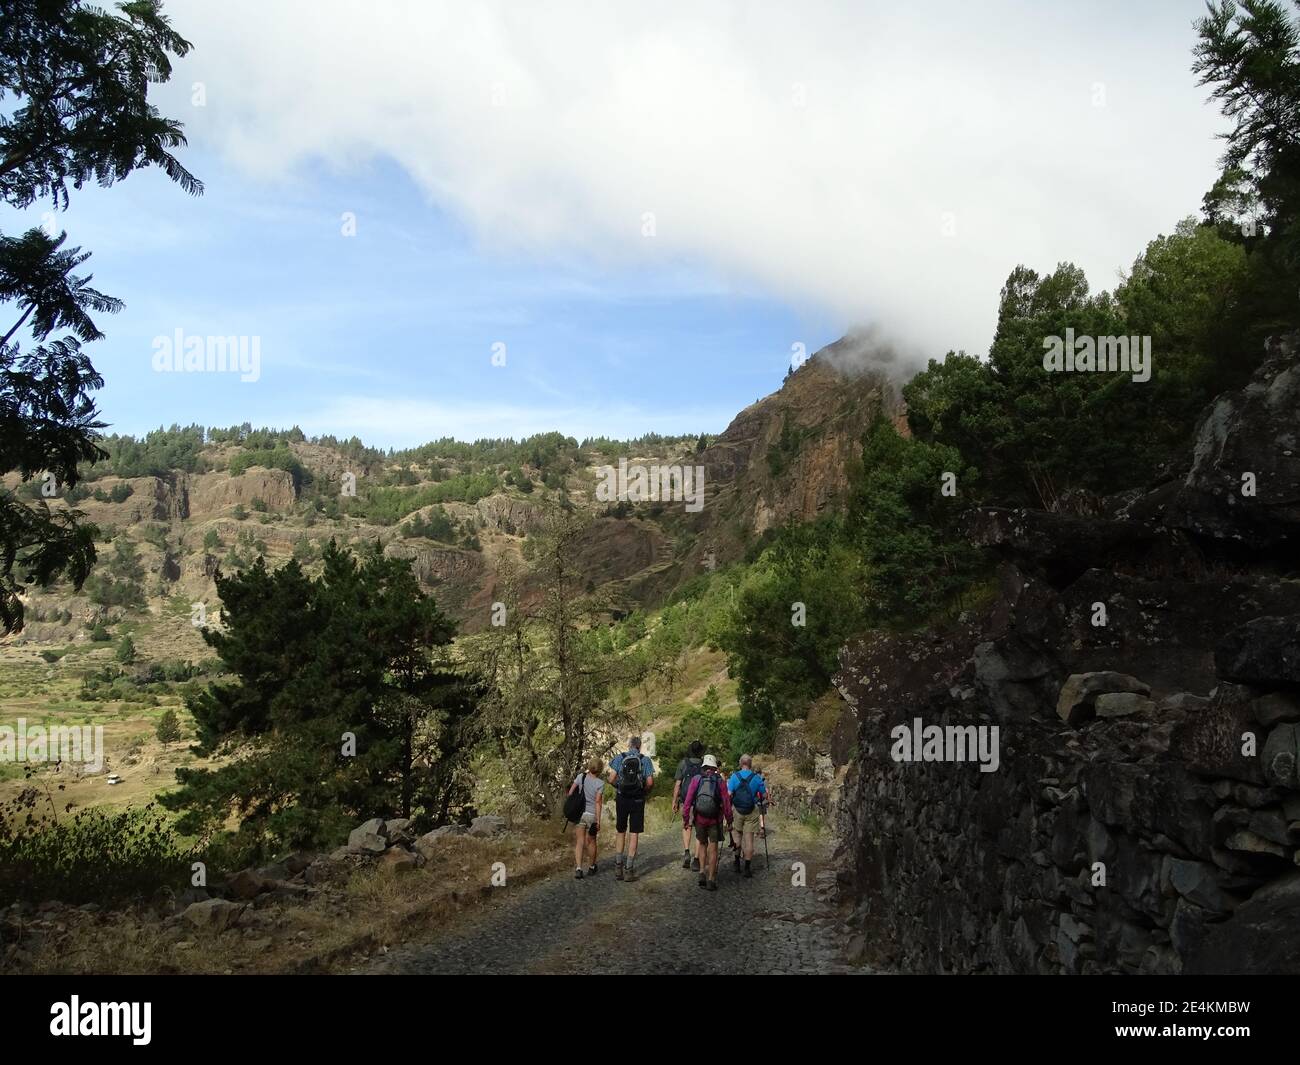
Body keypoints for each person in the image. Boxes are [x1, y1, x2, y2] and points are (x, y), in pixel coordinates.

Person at [607, 735, 655, 882]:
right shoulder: (645, 760)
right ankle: (629, 869)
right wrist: (644, 791)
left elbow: (610, 779)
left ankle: (618, 866)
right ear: (639, 746)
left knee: (621, 831)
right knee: (634, 832)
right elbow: (650, 782)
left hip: (622, 798)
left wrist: (619, 788)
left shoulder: (620, 757)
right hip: (637, 799)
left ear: (629, 745)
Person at [682, 754, 732, 892]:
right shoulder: (720, 781)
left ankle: (701, 873)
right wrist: (729, 820)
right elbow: (726, 802)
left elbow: (688, 802)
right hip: (715, 819)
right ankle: (711, 879)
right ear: (715, 767)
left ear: (703, 766)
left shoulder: (696, 779)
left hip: (700, 818)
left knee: (702, 844)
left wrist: (686, 819)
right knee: (713, 847)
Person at [727, 754, 768, 878]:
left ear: (740, 764)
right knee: (749, 840)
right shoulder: (756, 778)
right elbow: (764, 795)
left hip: (737, 811)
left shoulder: (734, 777)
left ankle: (736, 862)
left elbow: (729, 794)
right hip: (751, 810)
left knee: (737, 837)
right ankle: (747, 868)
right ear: (750, 764)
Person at [566, 758, 605, 879]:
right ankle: (592, 866)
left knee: (580, 841)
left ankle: (578, 868)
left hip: (580, 814)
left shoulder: (580, 777)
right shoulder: (600, 783)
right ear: (600, 769)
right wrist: (598, 820)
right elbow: (598, 802)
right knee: (591, 841)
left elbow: (570, 793)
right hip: (591, 814)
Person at [672, 739, 705, 870]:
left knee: (687, 826)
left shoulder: (683, 763)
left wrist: (674, 801)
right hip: (700, 801)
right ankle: (696, 859)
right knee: (699, 829)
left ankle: (687, 852)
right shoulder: (703, 765)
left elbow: (678, 784)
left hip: (686, 800)